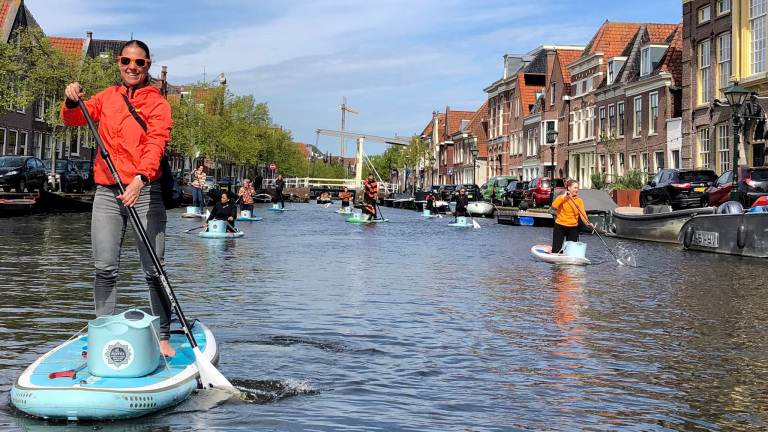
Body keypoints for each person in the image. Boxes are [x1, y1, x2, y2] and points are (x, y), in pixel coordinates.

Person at [61, 40, 175, 358]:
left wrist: (141, 178)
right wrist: (71, 101)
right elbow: (72, 120)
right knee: (104, 268)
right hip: (108, 191)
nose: (132, 67)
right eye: (126, 61)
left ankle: (163, 335)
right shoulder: (107, 98)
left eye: (139, 63)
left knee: (153, 268)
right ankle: (105, 336)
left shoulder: (158, 104)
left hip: (144, 190)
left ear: (148, 66)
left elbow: (156, 144)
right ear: (120, 62)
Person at [551, 179, 594, 254]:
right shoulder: (561, 197)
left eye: (577, 188)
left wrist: (587, 222)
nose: (576, 190)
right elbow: (554, 205)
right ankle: (556, 259)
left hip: (573, 227)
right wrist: (564, 196)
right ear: (569, 188)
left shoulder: (579, 201)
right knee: (556, 249)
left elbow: (582, 213)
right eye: (575, 188)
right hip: (560, 225)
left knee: (571, 251)